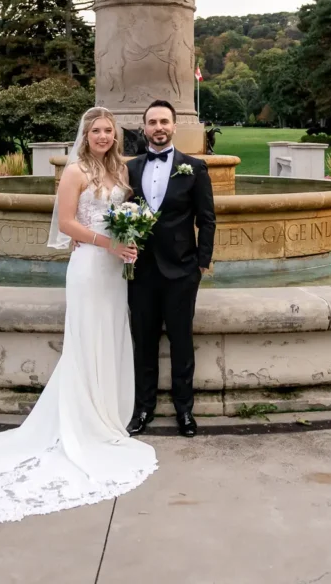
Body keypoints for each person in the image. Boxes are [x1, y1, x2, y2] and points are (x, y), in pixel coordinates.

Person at [0, 107, 157, 528]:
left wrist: (127, 241)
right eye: (95, 130)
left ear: (115, 135)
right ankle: (82, 421)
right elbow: (66, 223)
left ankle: (108, 414)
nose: (102, 136)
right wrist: (107, 243)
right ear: (85, 134)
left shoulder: (121, 173)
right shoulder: (75, 172)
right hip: (90, 266)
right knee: (86, 338)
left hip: (115, 270)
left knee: (111, 335)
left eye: (108, 131)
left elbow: (124, 217)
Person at [126, 100, 216, 438]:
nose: (158, 127)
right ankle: (143, 408)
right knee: (143, 342)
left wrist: (201, 262)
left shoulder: (194, 168)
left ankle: (184, 410)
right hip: (140, 271)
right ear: (144, 127)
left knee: (182, 341)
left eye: (164, 121)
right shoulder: (130, 168)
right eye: (152, 122)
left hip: (182, 271)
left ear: (174, 126)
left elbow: (207, 219)